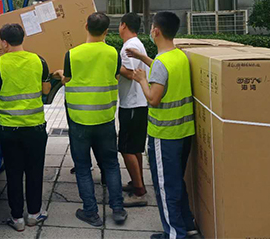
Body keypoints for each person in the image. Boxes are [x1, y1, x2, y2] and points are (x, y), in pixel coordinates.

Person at [127, 12, 199, 239]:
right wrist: (143, 57)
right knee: (176, 181)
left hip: (164, 134)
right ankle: (187, 226)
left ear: (156, 31)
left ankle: (174, 234)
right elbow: (162, 70)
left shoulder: (161, 63)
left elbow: (153, 98)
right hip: (184, 131)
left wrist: (141, 80)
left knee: (165, 187)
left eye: (151, 27)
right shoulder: (178, 56)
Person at [0, 23, 50, 232]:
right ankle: (34, 214)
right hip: (35, 128)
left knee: (14, 174)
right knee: (34, 172)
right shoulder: (39, 60)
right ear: (22, 38)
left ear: (4, 43)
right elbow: (46, 89)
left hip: (9, 130)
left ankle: (17, 219)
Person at [54, 12, 127, 227]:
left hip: (79, 120)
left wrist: (60, 74)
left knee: (83, 167)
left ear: (85, 26)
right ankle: (118, 209)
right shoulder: (113, 53)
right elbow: (115, 77)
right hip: (105, 118)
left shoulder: (72, 54)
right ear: (106, 31)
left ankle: (91, 212)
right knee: (111, 164)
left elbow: (67, 80)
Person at [117, 12, 149, 207]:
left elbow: (130, 74)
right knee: (135, 147)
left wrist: (113, 64)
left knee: (126, 148)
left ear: (123, 25)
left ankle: (139, 191)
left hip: (131, 104)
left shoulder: (129, 46)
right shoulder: (136, 44)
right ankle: (138, 182)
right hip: (138, 103)